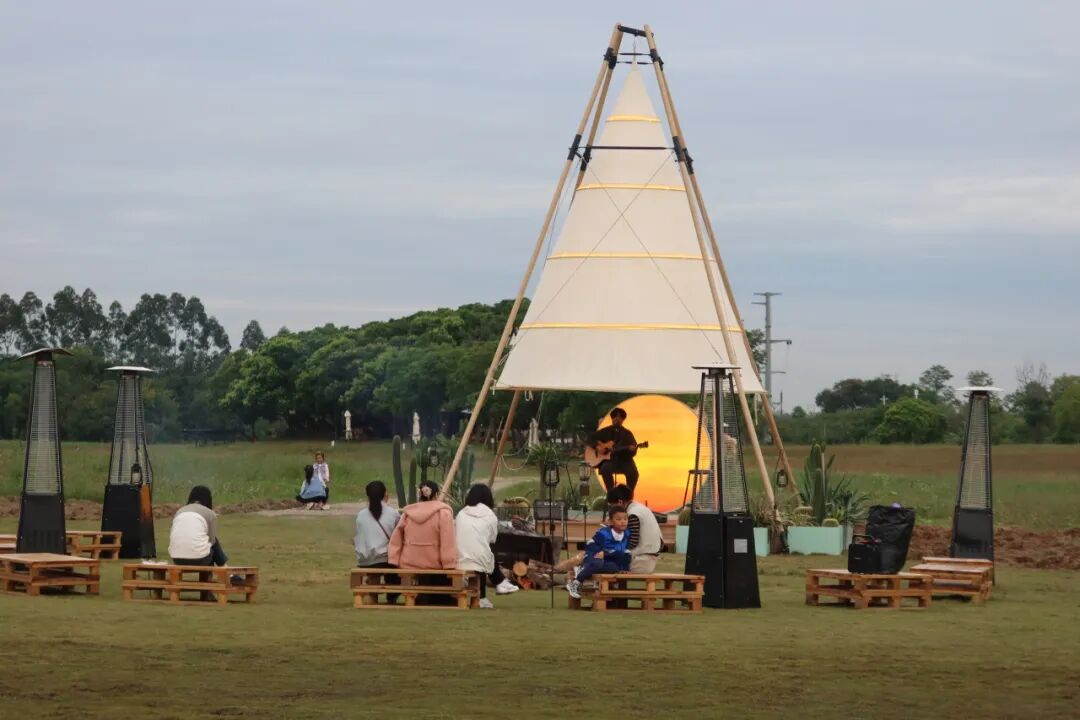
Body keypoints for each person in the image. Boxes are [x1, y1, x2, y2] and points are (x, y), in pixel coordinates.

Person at [455, 483, 519, 609]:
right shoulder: (490, 515)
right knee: (485, 552)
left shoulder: (461, 514)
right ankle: (499, 583)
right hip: (480, 559)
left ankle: (488, 593)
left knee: (482, 553)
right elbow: (492, 539)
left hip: (459, 557)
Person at [565, 506, 631, 599]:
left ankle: (583, 569)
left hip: (606, 557)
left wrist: (625, 567)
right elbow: (592, 547)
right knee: (597, 563)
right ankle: (575, 583)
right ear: (610, 522)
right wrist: (603, 553)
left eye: (625, 519)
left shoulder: (627, 534)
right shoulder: (604, 533)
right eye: (619, 519)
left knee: (613, 568)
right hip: (593, 554)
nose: (623, 521)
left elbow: (624, 552)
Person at [388, 480, 456, 570]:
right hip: (435, 565)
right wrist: (449, 564)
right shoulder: (443, 513)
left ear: (420, 494)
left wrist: (393, 559)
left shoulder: (408, 513)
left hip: (408, 563)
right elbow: (447, 541)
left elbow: (396, 538)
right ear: (436, 494)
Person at [355, 480, 402, 604]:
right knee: (397, 562)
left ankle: (374, 594)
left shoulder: (360, 515)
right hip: (384, 560)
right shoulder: (393, 513)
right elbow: (399, 536)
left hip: (363, 560)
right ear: (385, 494)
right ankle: (392, 597)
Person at [606, 485, 662, 574]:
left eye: (612, 506)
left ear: (620, 502)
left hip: (640, 561)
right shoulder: (639, 508)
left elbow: (632, 543)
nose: (611, 510)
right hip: (645, 558)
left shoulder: (632, 514)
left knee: (600, 563)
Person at [169, 485, 229, 567]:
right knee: (212, 544)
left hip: (177, 559)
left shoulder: (180, 511)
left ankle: (224, 568)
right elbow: (212, 541)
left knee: (207, 544)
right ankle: (224, 569)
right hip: (200, 560)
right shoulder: (209, 513)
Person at [587, 407, 641, 495]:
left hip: (625, 460)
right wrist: (597, 447)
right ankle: (611, 494)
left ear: (623, 420)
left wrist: (632, 450)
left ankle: (628, 495)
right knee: (605, 469)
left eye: (620, 417)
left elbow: (633, 450)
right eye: (615, 416)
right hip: (610, 460)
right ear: (612, 418)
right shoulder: (605, 431)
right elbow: (590, 438)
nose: (617, 419)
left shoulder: (627, 433)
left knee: (634, 473)